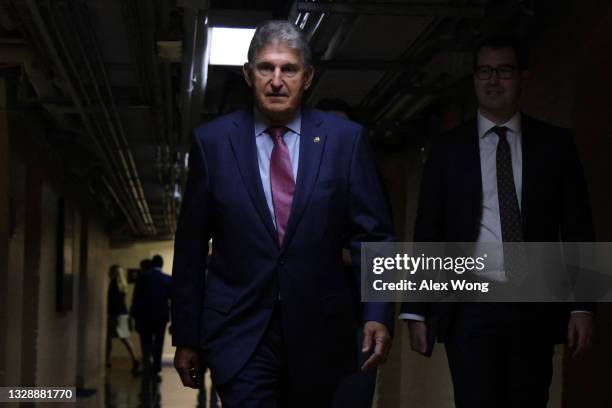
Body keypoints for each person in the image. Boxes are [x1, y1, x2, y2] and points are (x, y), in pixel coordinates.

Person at [172, 20, 395, 407]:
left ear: (307, 77)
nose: (277, 80)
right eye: (265, 68)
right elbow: (191, 247)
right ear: (248, 73)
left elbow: (373, 236)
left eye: (288, 69)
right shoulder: (213, 143)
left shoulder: (345, 141)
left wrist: (378, 312)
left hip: (320, 333)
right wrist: (187, 335)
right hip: (239, 334)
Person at [400, 35, 595, 407]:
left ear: (523, 77)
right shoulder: (447, 150)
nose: (493, 80)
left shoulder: (555, 145)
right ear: (474, 78)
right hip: (469, 306)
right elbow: (429, 229)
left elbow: (577, 226)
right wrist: (415, 308)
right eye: (484, 71)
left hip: (533, 303)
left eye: (504, 71)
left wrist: (582, 305)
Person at [131, 255, 172, 382]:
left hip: (145, 317)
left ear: (152, 264)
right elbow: (173, 300)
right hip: (161, 317)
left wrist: (134, 315)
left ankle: (147, 366)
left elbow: (136, 298)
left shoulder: (143, 278)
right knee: (159, 342)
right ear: (162, 264)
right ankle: (157, 367)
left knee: (146, 342)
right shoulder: (168, 279)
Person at [106, 264, 140, 375]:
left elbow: (112, 303)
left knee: (109, 338)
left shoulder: (113, 284)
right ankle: (134, 359)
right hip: (123, 314)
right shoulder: (122, 285)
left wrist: (111, 315)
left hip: (115, 315)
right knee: (124, 338)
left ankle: (107, 361)